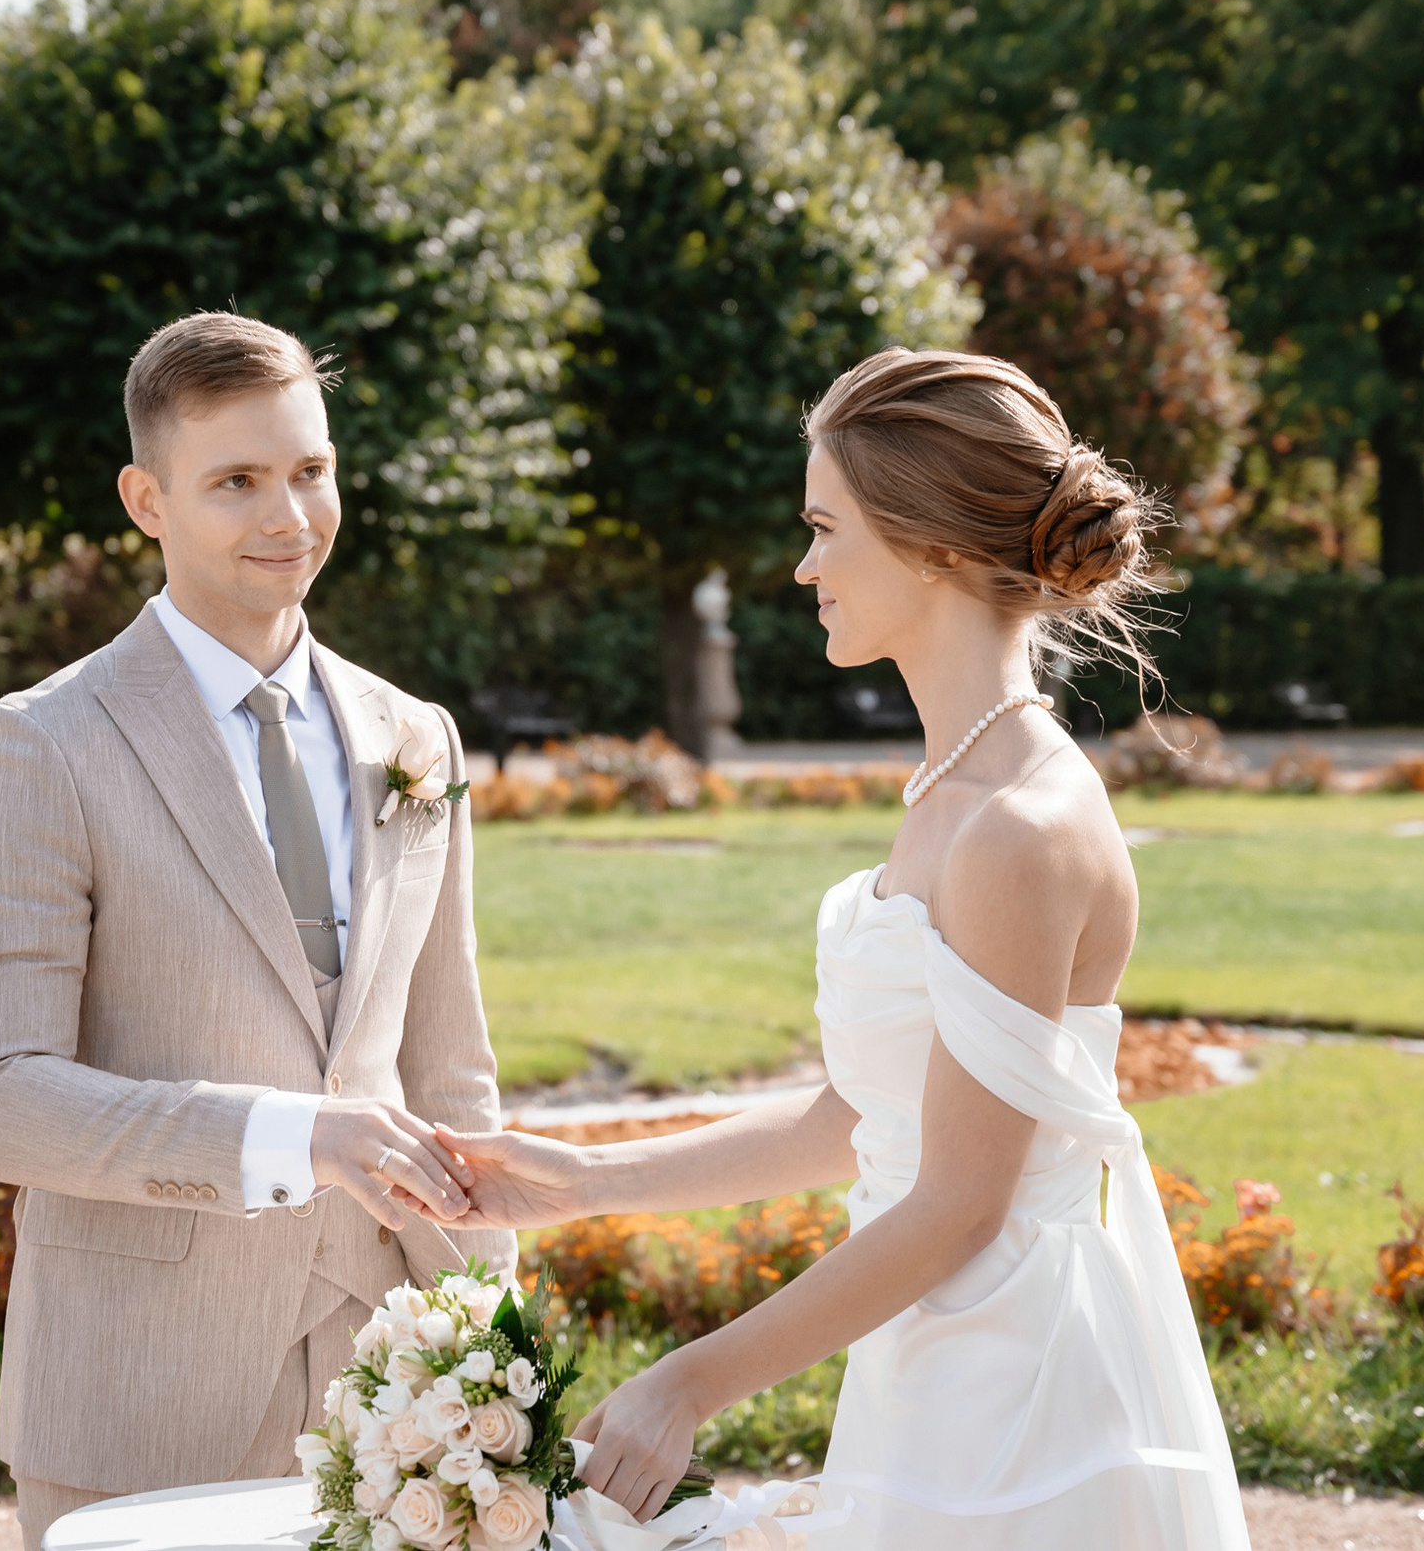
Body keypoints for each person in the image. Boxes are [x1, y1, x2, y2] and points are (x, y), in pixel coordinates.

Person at [435, 350, 1253, 1549]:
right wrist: (589, 1180)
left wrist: (688, 1383)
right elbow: (860, 1116)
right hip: (936, 1363)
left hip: (1015, 1408)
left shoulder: (1015, 826)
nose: (803, 566)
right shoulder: (956, 788)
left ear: (929, 546)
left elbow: (962, 1204)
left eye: (825, 529)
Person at [0, 312, 514, 1551]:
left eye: (310, 469)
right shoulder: (43, 744)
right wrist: (294, 1137)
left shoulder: (416, 738)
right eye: (236, 480)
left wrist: (490, 1334)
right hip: (143, 1392)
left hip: (402, 1393)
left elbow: (449, 1068)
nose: (288, 515)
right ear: (146, 500)